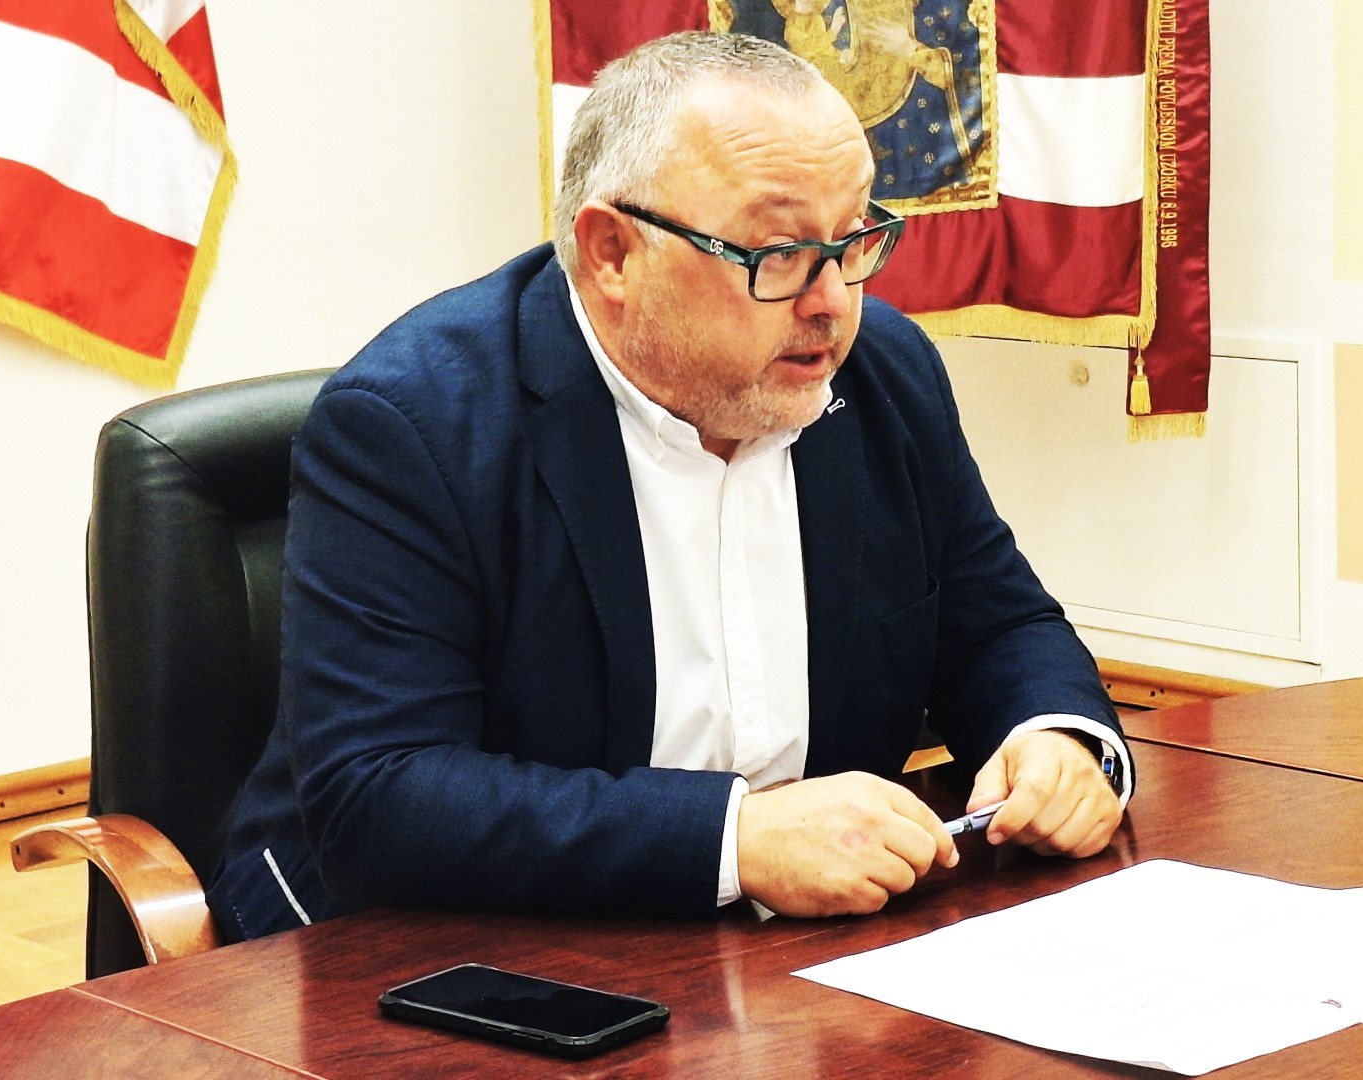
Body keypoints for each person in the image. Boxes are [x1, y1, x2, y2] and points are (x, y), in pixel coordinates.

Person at [205, 30, 1131, 942]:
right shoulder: (414, 425)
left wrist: (1053, 736)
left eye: (854, 239)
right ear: (613, 252)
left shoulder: (883, 373)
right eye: (778, 253)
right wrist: (735, 841)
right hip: (436, 955)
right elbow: (381, 797)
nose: (832, 301)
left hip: (798, 948)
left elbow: (996, 623)